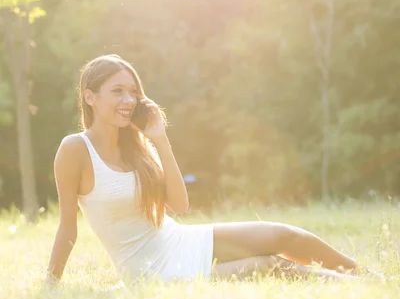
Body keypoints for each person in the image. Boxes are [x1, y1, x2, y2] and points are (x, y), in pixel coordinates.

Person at [46, 54, 364, 287]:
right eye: (117, 91)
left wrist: (158, 137)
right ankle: (354, 287)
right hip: (151, 271)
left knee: (282, 235)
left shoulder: (137, 147)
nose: (129, 99)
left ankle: (369, 277)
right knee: (271, 266)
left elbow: (180, 206)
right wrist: (51, 284)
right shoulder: (75, 149)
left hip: (179, 239)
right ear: (90, 96)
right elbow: (67, 229)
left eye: (133, 91)